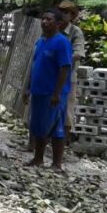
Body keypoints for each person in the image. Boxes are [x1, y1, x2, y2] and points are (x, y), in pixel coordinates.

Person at [25, 9, 73, 170]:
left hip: (53, 93)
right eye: (43, 19)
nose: (45, 22)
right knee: (39, 125)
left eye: (49, 20)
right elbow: (34, 66)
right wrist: (28, 88)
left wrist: (57, 93)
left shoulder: (62, 42)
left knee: (56, 127)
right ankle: (38, 159)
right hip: (38, 90)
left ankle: (57, 163)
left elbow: (64, 68)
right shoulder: (41, 41)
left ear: (58, 23)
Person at [58, 1, 86, 139]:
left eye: (66, 12)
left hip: (68, 76)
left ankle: (65, 141)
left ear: (72, 15)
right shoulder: (53, 29)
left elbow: (78, 53)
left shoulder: (75, 32)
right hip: (51, 75)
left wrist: (61, 60)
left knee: (67, 109)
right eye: (61, 12)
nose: (63, 15)